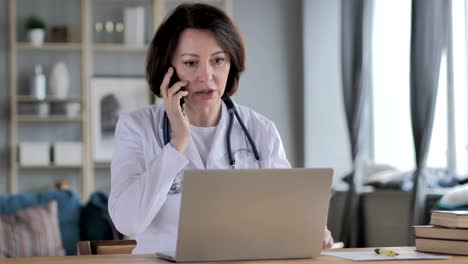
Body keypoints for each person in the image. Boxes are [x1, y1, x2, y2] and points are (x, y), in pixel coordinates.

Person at [108, 3, 334, 254]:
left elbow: (289, 213)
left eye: (217, 60)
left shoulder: (260, 131)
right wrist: (177, 144)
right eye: (191, 63)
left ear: (231, 63)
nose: (207, 75)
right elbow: (128, 223)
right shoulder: (136, 128)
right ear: (167, 69)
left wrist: (313, 229)